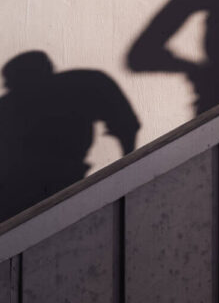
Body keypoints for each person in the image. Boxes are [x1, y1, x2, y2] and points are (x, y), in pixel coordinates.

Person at [0, 51, 139, 222]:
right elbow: (126, 126)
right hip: (19, 192)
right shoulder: (84, 84)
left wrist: (126, 173)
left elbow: (126, 125)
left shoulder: (80, 85)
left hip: (60, 183)